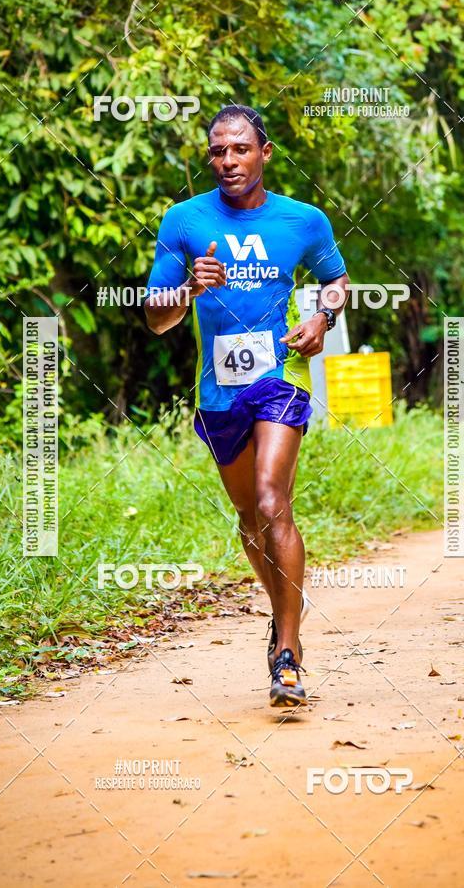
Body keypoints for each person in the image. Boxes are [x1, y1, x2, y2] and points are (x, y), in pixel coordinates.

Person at [144, 104, 349, 707]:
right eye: (217, 152)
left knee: (270, 498)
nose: (228, 161)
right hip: (217, 397)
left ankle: (288, 652)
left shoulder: (304, 220)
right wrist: (189, 288)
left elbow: (336, 279)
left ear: (264, 153)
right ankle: (286, 604)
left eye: (239, 149)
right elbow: (157, 318)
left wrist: (323, 315)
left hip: (276, 382)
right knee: (249, 521)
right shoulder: (183, 221)